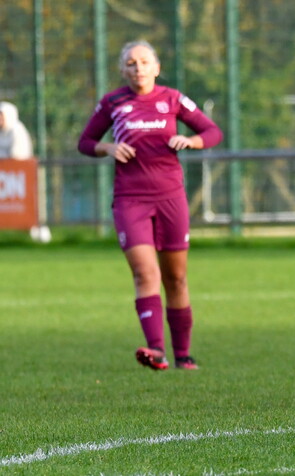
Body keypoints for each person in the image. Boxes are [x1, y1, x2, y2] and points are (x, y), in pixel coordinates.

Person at [78, 40, 222, 371]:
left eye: (144, 62)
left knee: (176, 278)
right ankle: (156, 350)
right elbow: (85, 142)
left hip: (171, 197)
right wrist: (107, 148)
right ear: (121, 69)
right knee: (145, 272)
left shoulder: (172, 99)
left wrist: (192, 140)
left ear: (156, 68)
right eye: (130, 62)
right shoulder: (112, 102)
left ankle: (184, 355)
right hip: (130, 199)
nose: (138, 68)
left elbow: (212, 131)